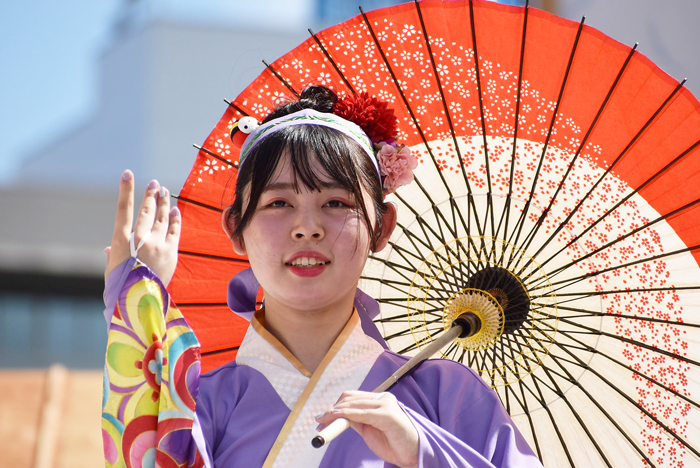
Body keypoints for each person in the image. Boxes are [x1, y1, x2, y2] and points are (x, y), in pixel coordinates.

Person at [101, 86, 544, 468]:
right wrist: (138, 314)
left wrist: (423, 451)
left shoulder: (447, 396)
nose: (307, 226)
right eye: (278, 204)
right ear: (236, 227)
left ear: (381, 226)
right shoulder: (201, 404)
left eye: (336, 203)